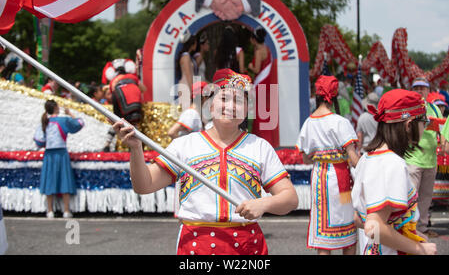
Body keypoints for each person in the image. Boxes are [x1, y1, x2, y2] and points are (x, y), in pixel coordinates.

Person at [112, 68, 298, 255]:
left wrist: (263, 204)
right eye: (224, 99)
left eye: (239, 101)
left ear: (247, 110)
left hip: (247, 246)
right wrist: (135, 149)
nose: (231, 106)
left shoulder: (259, 147)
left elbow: (290, 198)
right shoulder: (184, 146)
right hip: (196, 246)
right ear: (210, 106)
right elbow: (144, 185)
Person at [351, 89, 437, 255]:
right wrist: (419, 249)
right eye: (423, 122)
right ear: (408, 125)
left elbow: (359, 218)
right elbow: (373, 227)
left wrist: (409, 234)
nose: (424, 128)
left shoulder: (367, 158)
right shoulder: (392, 164)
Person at [296, 75, 359, 255]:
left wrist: (320, 156)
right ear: (334, 94)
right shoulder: (340, 122)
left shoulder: (309, 123)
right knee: (348, 231)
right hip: (341, 179)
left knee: (324, 235)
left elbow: (306, 159)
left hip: (320, 179)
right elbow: (353, 157)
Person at [34, 100, 85, 218]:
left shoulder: (44, 122)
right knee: (64, 179)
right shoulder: (63, 120)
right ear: (56, 108)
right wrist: (70, 113)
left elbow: (39, 141)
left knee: (49, 179)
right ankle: (66, 210)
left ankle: (50, 210)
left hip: (49, 155)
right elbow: (80, 123)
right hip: (61, 153)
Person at [406, 77, 443, 238]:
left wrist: (442, 143)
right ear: (412, 91)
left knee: (426, 197)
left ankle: (421, 227)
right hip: (413, 159)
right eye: (417, 88)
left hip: (430, 160)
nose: (420, 91)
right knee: (411, 195)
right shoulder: (408, 108)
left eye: (423, 88)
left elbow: (442, 130)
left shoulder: (434, 109)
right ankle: (408, 227)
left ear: (428, 91)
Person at [248, 26, 279, 147]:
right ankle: (268, 140)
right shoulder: (268, 50)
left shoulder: (258, 51)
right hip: (267, 83)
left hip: (260, 84)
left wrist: (250, 65)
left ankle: (260, 140)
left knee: (259, 115)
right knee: (267, 113)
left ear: (254, 39)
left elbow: (256, 69)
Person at [176, 31, 198, 101]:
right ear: (192, 44)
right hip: (186, 85)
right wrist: (192, 89)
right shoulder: (186, 56)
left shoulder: (187, 56)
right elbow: (188, 74)